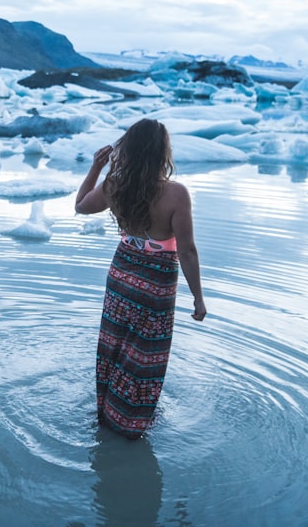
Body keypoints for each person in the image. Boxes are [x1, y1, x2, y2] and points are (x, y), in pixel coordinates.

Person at [75, 118, 206, 439]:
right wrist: (198, 297)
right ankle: (131, 423)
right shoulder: (176, 194)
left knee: (114, 344)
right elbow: (186, 250)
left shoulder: (115, 185)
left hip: (122, 273)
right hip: (156, 279)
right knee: (144, 353)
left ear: (129, 149)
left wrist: (96, 169)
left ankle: (106, 412)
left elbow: (80, 206)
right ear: (162, 153)